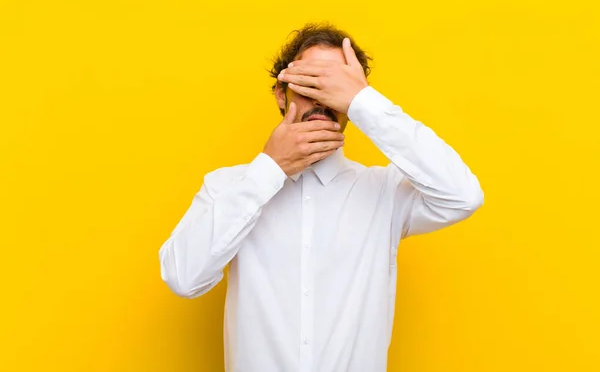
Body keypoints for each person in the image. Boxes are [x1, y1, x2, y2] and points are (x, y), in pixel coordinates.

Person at [158, 23, 484, 372]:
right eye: (309, 82)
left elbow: (463, 195)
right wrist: (270, 168)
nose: (322, 98)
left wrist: (363, 101)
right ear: (281, 95)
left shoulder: (385, 193)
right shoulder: (228, 186)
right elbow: (183, 277)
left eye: (334, 86)